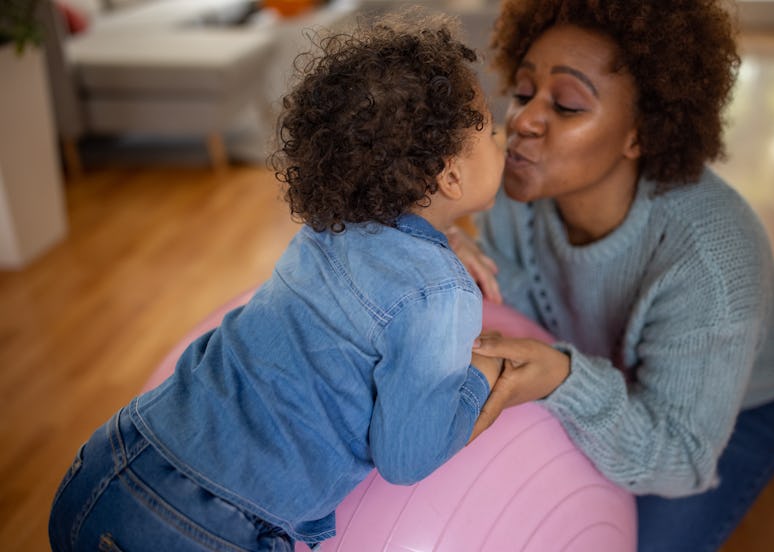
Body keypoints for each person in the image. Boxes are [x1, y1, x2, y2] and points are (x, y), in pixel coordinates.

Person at [48, 12, 506, 552]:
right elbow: (406, 457)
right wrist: (480, 378)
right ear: (451, 174)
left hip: (112, 461)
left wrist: (449, 236)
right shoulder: (442, 295)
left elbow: (386, 259)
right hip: (209, 527)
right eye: (493, 131)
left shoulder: (328, 230)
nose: (504, 139)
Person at [451, 1, 774, 550]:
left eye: (569, 105)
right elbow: (521, 315)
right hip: (611, 366)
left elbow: (680, 457)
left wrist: (565, 380)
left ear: (640, 133)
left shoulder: (710, 257)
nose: (524, 120)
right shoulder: (515, 187)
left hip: (754, 395)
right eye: (525, 92)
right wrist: (436, 250)